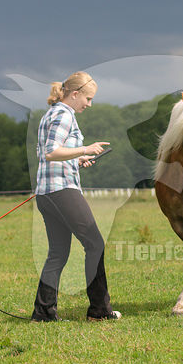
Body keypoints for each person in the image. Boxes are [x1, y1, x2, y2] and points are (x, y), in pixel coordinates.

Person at [31, 71, 121, 322]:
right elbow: (51, 152)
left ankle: (44, 314)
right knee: (95, 244)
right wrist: (85, 148)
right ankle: (99, 310)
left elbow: (52, 152)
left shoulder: (50, 113)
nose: (89, 104)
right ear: (75, 94)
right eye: (88, 99)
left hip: (46, 193)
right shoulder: (63, 114)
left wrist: (77, 159)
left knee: (58, 253)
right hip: (62, 191)